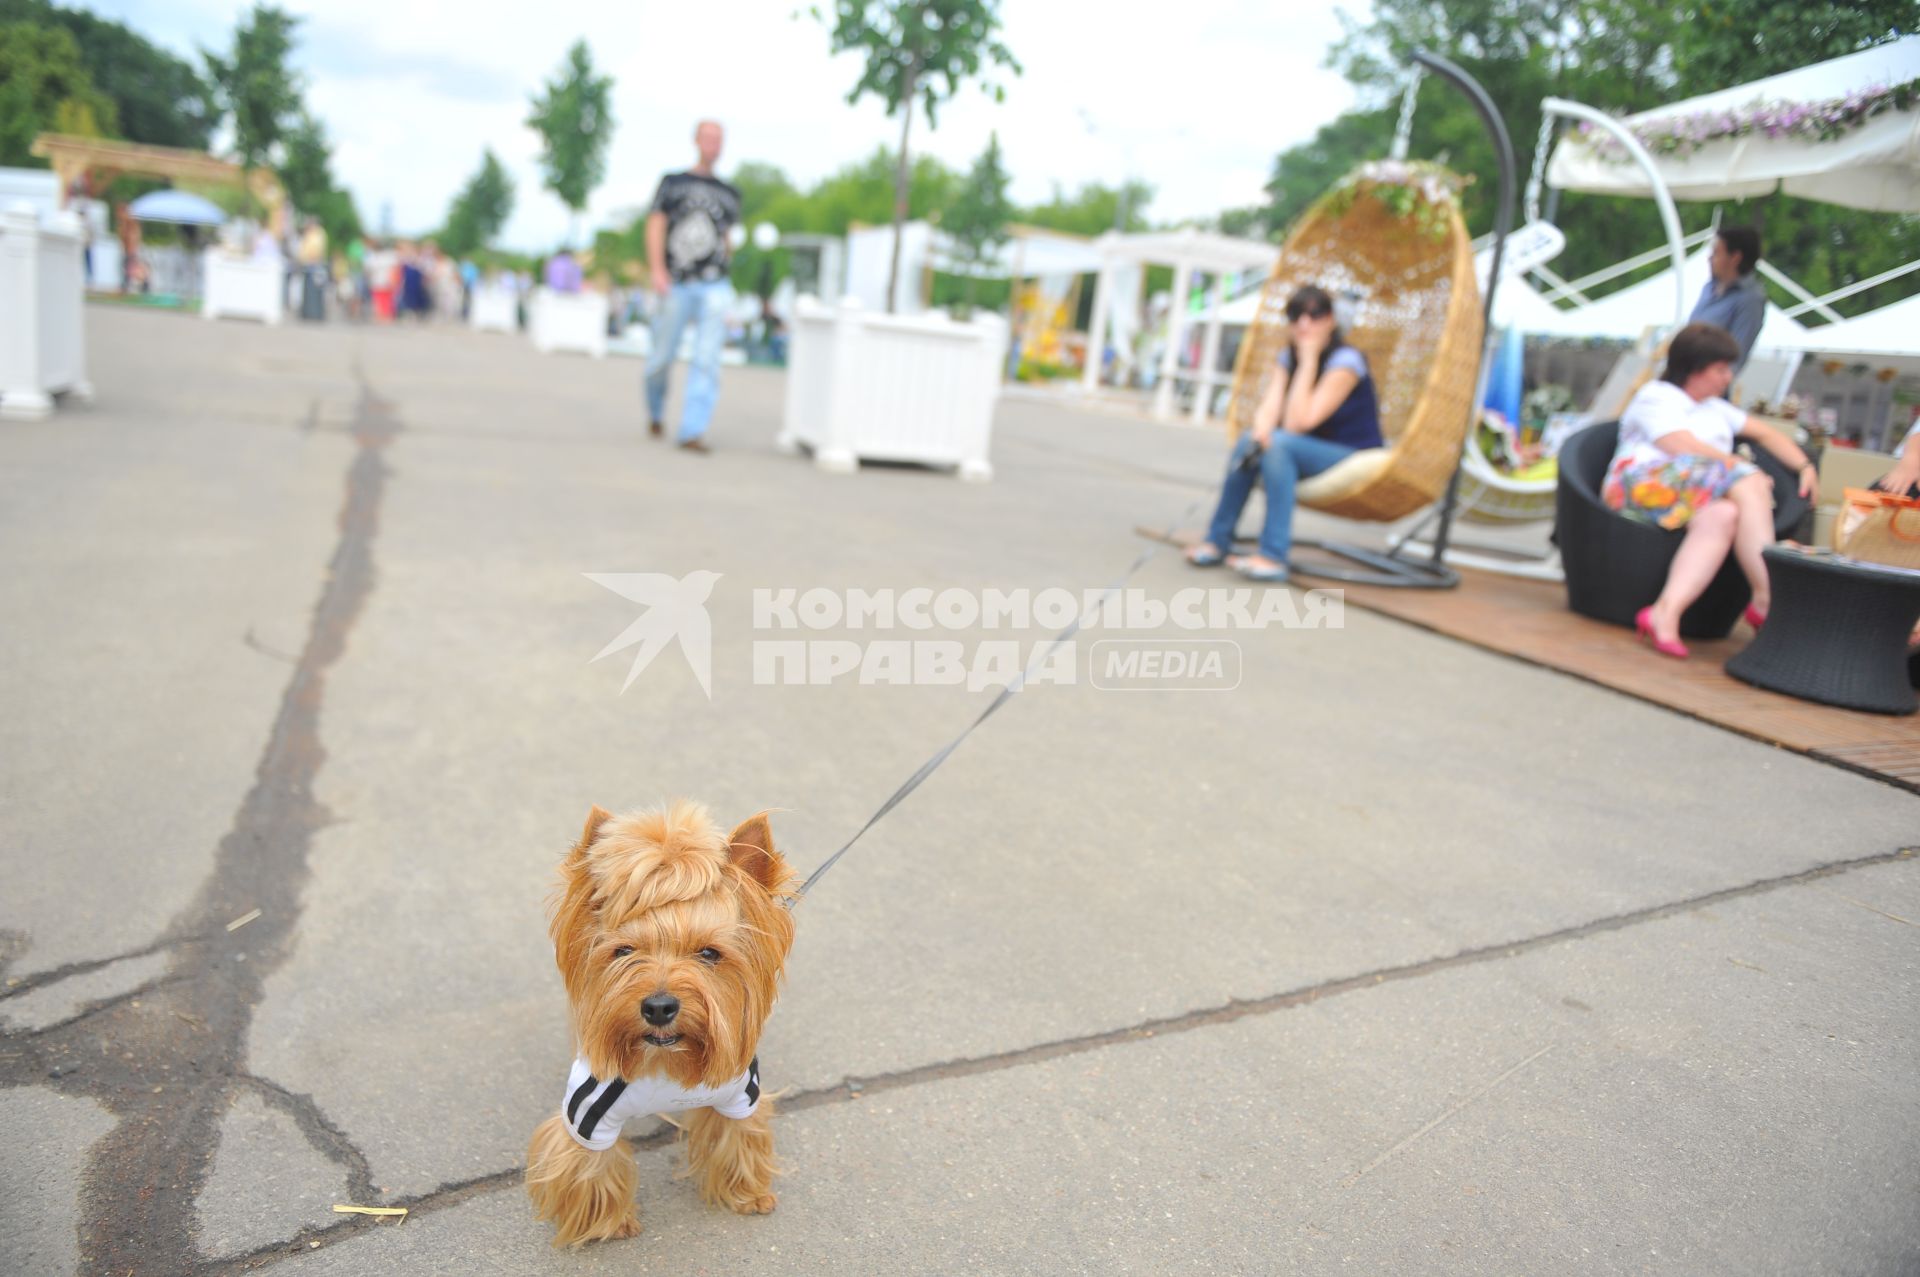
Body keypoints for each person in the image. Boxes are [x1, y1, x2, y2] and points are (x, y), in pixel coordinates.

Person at [1605, 322, 1817, 659]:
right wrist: (1736, 466)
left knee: (1724, 514)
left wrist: (1805, 467)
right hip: (1640, 486)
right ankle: (1765, 595)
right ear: (1694, 368)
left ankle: (1665, 611)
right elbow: (1678, 444)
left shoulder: (1717, 410)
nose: (1727, 377)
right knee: (1747, 478)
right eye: (1720, 369)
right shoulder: (1656, 396)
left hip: (1692, 494)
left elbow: (1768, 435)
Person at [1185, 285, 1382, 584]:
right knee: (1250, 440)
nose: (1304, 323)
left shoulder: (1346, 361)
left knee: (1279, 444)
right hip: (1304, 449)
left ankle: (1273, 555)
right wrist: (1260, 433)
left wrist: (1308, 360)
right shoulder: (1287, 357)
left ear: (1330, 320)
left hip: (1350, 453)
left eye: (1315, 314)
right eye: (1295, 315)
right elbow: (1270, 410)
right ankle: (1217, 540)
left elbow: (1297, 423)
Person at [643, 119, 742, 454]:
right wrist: (657, 270)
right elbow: (656, 225)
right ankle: (655, 410)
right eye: (709, 137)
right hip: (676, 281)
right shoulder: (673, 183)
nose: (714, 144)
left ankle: (691, 431)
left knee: (707, 357)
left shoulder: (730, 193)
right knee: (661, 356)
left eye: (719, 139)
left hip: (715, 283)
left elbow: (727, 237)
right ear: (696, 141)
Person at [1689, 225, 1765, 372]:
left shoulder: (1750, 300)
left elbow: (1735, 358)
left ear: (1735, 258)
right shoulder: (1709, 287)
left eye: (1716, 253)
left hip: (1706, 385)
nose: (1709, 258)